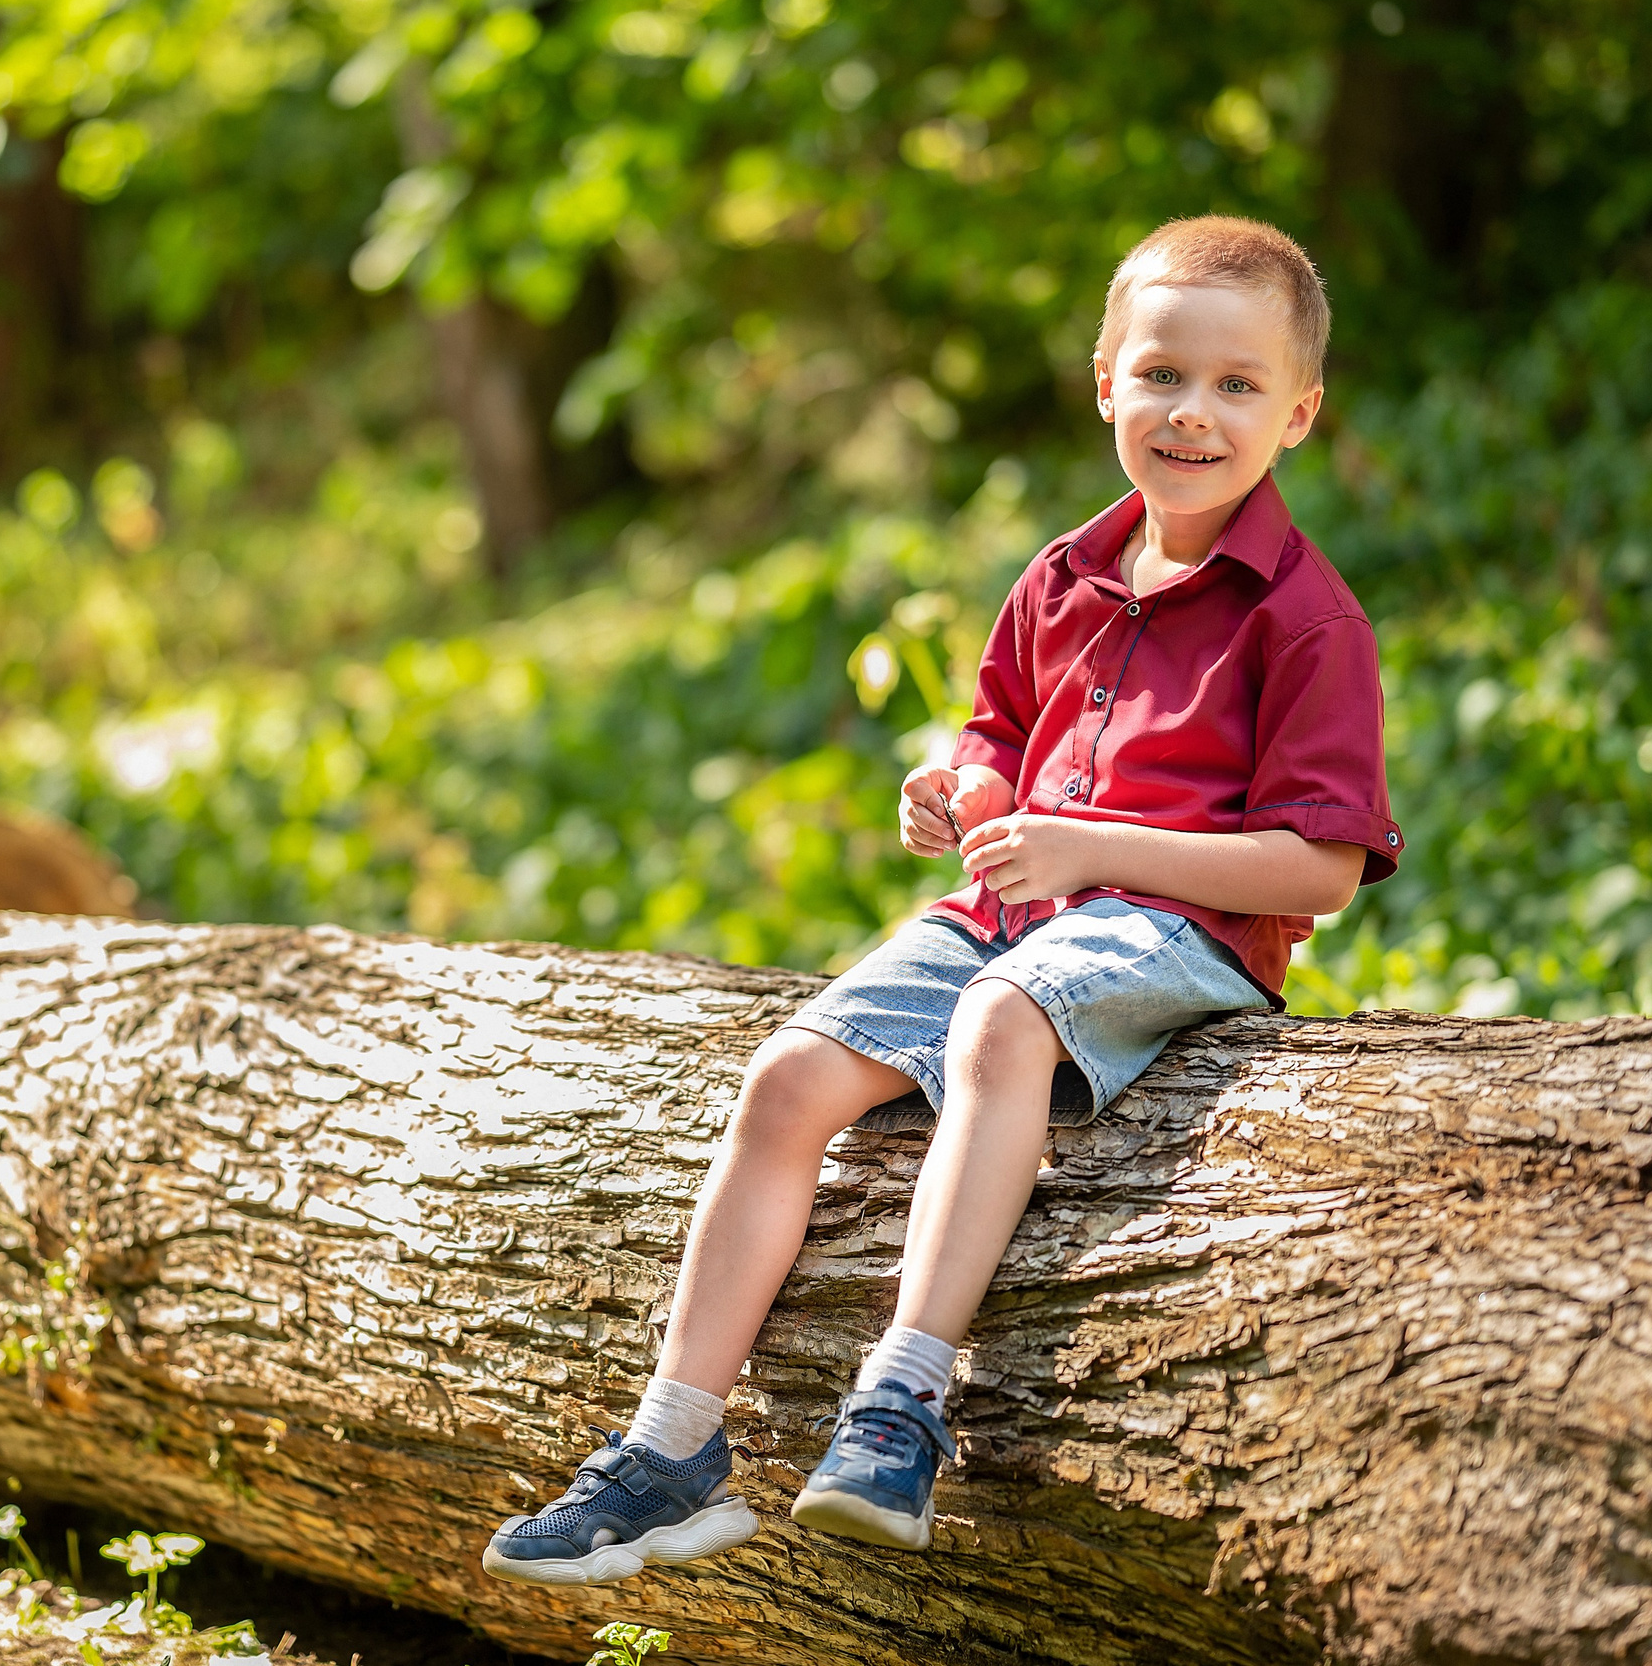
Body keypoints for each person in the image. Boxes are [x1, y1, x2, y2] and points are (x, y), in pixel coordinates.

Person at [481, 215, 1403, 1584]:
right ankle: (672, 1446)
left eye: (1236, 385)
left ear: (1299, 413)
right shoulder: (1062, 578)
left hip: (1183, 929)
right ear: (1106, 382)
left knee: (998, 1023)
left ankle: (902, 1403)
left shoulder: (1307, 620)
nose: (1191, 413)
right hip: (1018, 910)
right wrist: (961, 787)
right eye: (1161, 375)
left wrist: (1091, 848)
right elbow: (997, 735)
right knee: (788, 1078)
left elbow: (1319, 868)